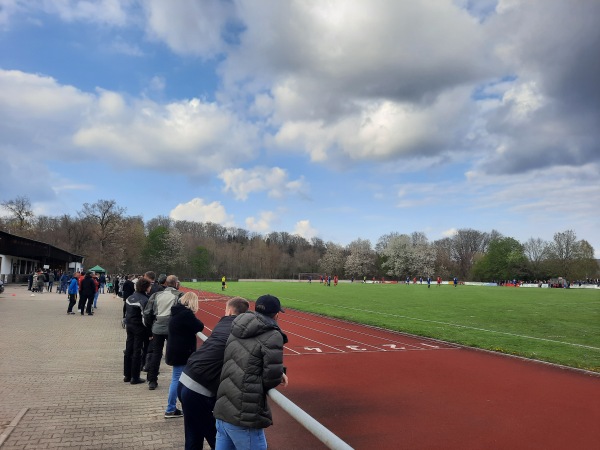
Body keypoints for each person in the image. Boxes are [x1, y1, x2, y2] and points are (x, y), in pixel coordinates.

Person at [213, 294, 289, 450]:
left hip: (223, 409)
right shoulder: (273, 334)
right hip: (244, 417)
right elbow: (271, 378)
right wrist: (278, 373)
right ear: (276, 315)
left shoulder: (237, 324)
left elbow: (243, 358)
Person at [178, 297, 250, 449]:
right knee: (217, 438)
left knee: (193, 434)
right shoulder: (243, 329)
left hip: (185, 378)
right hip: (199, 389)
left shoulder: (222, 323)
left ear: (229, 311)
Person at [164, 292, 205, 419]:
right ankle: (170, 408)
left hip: (175, 350)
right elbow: (199, 326)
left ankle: (174, 407)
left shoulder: (176, 312)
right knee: (178, 379)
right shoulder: (186, 314)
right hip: (182, 351)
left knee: (179, 378)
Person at [143, 275, 183, 390]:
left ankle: (152, 380)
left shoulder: (156, 295)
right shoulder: (179, 295)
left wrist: (151, 325)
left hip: (157, 327)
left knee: (156, 354)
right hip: (172, 329)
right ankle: (178, 380)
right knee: (176, 354)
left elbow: (147, 312)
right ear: (176, 284)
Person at [124, 277, 153, 385]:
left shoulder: (130, 298)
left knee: (128, 349)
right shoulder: (144, 300)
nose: (151, 288)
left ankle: (127, 375)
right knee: (137, 351)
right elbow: (146, 318)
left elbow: (126, 312)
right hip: (139, 328)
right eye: (150, 286)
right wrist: (150, 332)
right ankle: (135, 377)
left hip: (129, 326)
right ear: (146, 287)